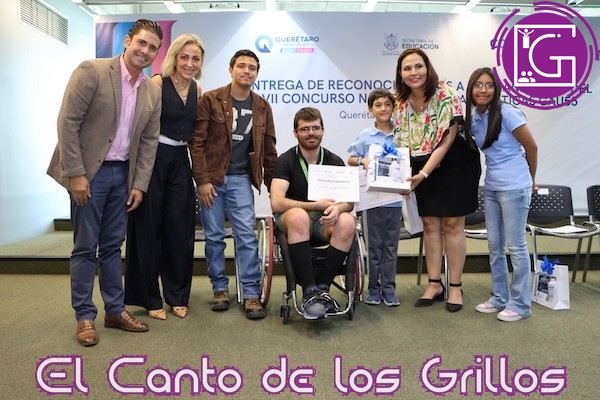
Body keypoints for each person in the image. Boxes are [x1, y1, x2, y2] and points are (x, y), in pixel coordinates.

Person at [46, 19, 163, 346]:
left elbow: (149, 140)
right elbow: (67, 122)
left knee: (112, 246)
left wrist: (139, 183)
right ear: (127, 41)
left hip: (123, 176)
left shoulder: (152, 90)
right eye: (141, 43)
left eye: (153, 48)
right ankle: (85, 316)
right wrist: (75, 173)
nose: (145, 51)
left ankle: (115, 310)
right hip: (89, 174)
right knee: (85, 247)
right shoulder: (92, 71)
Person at [189, 49, 277, 320]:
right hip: (212, 179)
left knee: (246, 236)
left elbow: (269, 150)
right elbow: (197, 142)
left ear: (257, 74)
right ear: (231, 69)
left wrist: (274, 187)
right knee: (214, 236)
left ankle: (250, 293)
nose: (247, 71)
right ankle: (220, 289)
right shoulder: (210, 99)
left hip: (241, 179)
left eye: (252, 67)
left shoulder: (262, 106)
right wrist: (202, 180)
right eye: (241, 66)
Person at [392, 48, 480, 313]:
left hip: (454, 165)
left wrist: (423, 174)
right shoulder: (400, 103)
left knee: (452, 225)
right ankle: (434, 284)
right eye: (407, 68)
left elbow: (446, 141)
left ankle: (455, 286)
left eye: (418, 66)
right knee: (430, 224)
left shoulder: (446, 94)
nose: (413, 72)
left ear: (427, 68)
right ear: (400, 74)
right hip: (421, 165)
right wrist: (402, 177)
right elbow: (400, 144)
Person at [124, 33, 205, 321]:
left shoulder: (198, 89)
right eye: (185, 57)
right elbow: (140, 126)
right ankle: (149, 298)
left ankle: (178, 296)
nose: (190, 63)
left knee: (180, 231)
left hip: (180, 162)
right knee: (148, 230)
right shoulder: (157, 83)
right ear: (174, 57)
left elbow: (196, 135)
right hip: (154, 158)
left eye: (195, 59)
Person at [465, 67, 537, 322]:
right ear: (471, 89)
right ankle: (499, 297)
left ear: (496, 90)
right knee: (494, 246)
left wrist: (531, 179)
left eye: (489, 85)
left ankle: (520, 304)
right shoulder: (474, 118)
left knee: (515, 246)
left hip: (515, 186)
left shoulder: (508, 113)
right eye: (478, 85)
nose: (483, 89)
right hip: (492, 186)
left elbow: (531, 146)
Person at [270, 107, 356, 320]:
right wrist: (314, 206)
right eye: (305, 129)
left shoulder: (334, 160)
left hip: (324, 221)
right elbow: (277, 202)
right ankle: (309, 291)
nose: (311, 133)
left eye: (315, 128)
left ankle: (323, 289)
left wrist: (338, 208)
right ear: (295, 133)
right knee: (299, 216)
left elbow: (349, 202)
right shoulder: (286, 160)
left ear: (323, 130)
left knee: (347, 221)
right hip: (292, 220)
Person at [347, 89, 401, 307]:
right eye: (378, 105)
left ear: (393, 108)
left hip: (395, 200)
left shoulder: (401, 133)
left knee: (391, 247)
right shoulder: (366, 135)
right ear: (370, 110)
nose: (383, 109)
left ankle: (389, 289)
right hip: (371, 200)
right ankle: (373, 289)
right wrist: (363, 160)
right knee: (374, 246)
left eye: (387, 104)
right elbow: (350, 158)